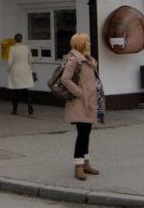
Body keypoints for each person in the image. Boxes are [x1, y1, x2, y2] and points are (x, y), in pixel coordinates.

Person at [61, 33, 103, 181]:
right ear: (81, 44)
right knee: (82, 135)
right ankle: (78, 166)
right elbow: (65, 79)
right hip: (80, 103)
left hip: (89, 102)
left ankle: (85, 163)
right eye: (87, 42)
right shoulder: (74, 60)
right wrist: (79, 92)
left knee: (86, 133)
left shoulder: (88, 60)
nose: (89, 44)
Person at [7, 33, 34, 115]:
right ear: (22, 39)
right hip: (25, 70)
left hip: (15, 71)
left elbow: (10, 62)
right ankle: (29, 104)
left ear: (14, 40)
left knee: (14, 91)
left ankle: (14, 109)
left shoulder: (12, 48)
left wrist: (8, 69)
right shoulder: (27, 48)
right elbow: (30, 60)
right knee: (24, 90)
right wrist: (31, 69)